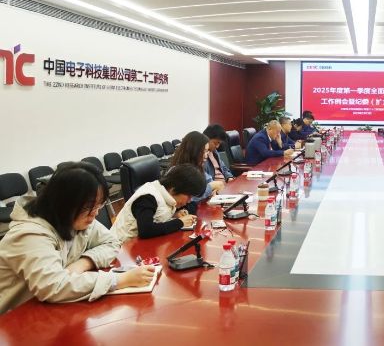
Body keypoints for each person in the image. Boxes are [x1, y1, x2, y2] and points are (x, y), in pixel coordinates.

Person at [0, 162, 154, 314]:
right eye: (89, 207)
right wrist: (118, 280)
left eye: (98, 205)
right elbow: (54, 286)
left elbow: (112, 242)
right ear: (63, 203)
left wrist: (84, 263)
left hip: (48, 309)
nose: (96, 213)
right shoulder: (29, 235)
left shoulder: (75, 218)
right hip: (14, 318)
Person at [110, 164, 207, 243]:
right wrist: (180, 222)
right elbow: (146, 231)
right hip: (121, 248)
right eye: (189, 196)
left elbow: (157, 216)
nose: (189, 201)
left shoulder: (166, 194)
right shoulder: (148, 197)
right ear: (174, 188)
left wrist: (175, 215)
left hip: (140, 244)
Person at [169, 131, 224, 213]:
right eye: (204, 151)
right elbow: (191, 197)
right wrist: (211, 187)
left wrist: (213, 188)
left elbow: (212, 182)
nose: (206, 155)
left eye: (207, 151)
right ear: (194, 151)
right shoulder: (179, 171)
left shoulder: (197, 166)